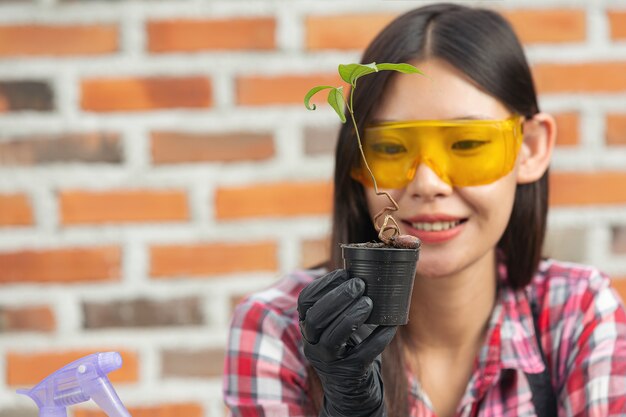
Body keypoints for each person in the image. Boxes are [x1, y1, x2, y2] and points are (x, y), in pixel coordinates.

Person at [223, 3, 626, 417]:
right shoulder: (278, 328)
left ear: (532, 148)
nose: (428, 185)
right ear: (356, 161)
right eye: (392, 148)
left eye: (467, 144)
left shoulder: (579, 314)